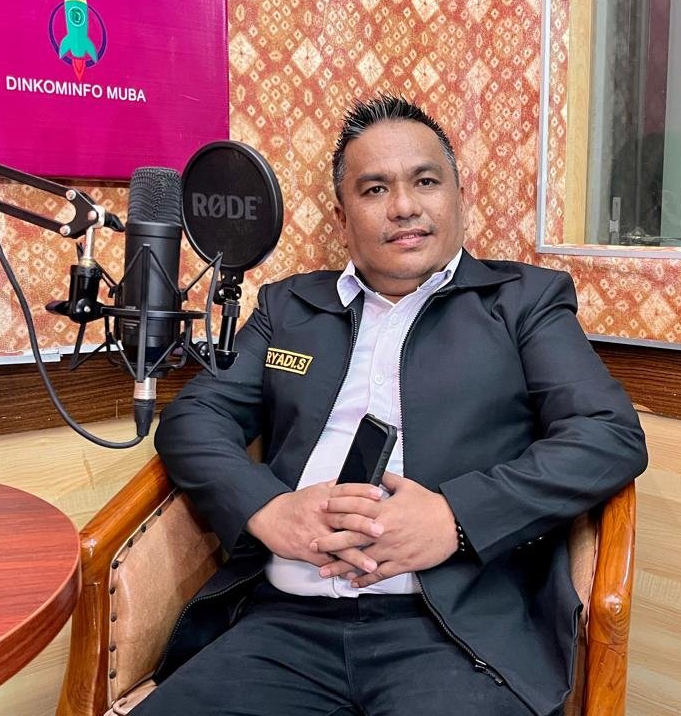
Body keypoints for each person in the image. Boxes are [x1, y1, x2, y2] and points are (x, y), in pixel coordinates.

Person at [140, 95, 648, 716]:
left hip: (453, 633)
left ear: (458, 195)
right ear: (342, 216)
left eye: (425, 182)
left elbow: (608, 434)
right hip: (283, 625)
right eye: (375, 189)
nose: (404, 206)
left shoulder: (522, 303)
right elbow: (195, 418)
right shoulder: (290, 309)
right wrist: (268, 509)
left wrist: (455, 518)